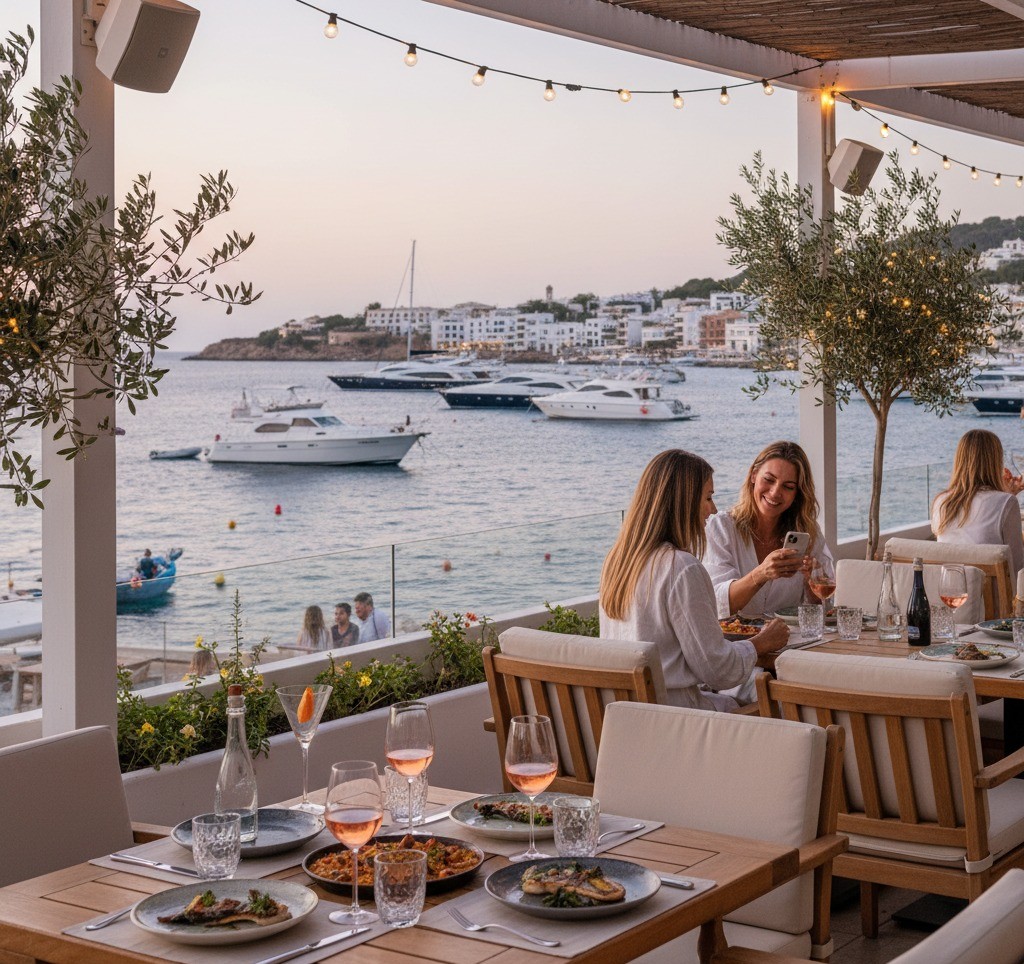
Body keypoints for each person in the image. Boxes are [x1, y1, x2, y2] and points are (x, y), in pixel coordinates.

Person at [599, 449, 789, 711]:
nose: (713, 510)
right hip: (676, 721)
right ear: (683, 502)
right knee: (778, 702)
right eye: (708, 498)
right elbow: (717, 669)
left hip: (628, 712)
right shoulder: (681, 568)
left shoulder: (617, 562)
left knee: (733, 699)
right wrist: (761, 643)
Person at [704, 440, 833, 619]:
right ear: (754, 476)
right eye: (769, 480)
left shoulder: (809, 533)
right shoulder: (721, 528)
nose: (774, 493)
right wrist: (761, 574)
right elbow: (717, 604)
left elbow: (821, 612)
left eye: (788, 487)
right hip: (738, 642)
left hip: (791, 641)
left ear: (798, 493)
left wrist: (812, 583)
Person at [931, 429, 1024, 579]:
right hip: (993, 600)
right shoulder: (1006, 503)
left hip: (950, 592)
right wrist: (1007, 496)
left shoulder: (941, 502)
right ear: (995, 461)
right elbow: (1018, 569)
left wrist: (1006, 494)